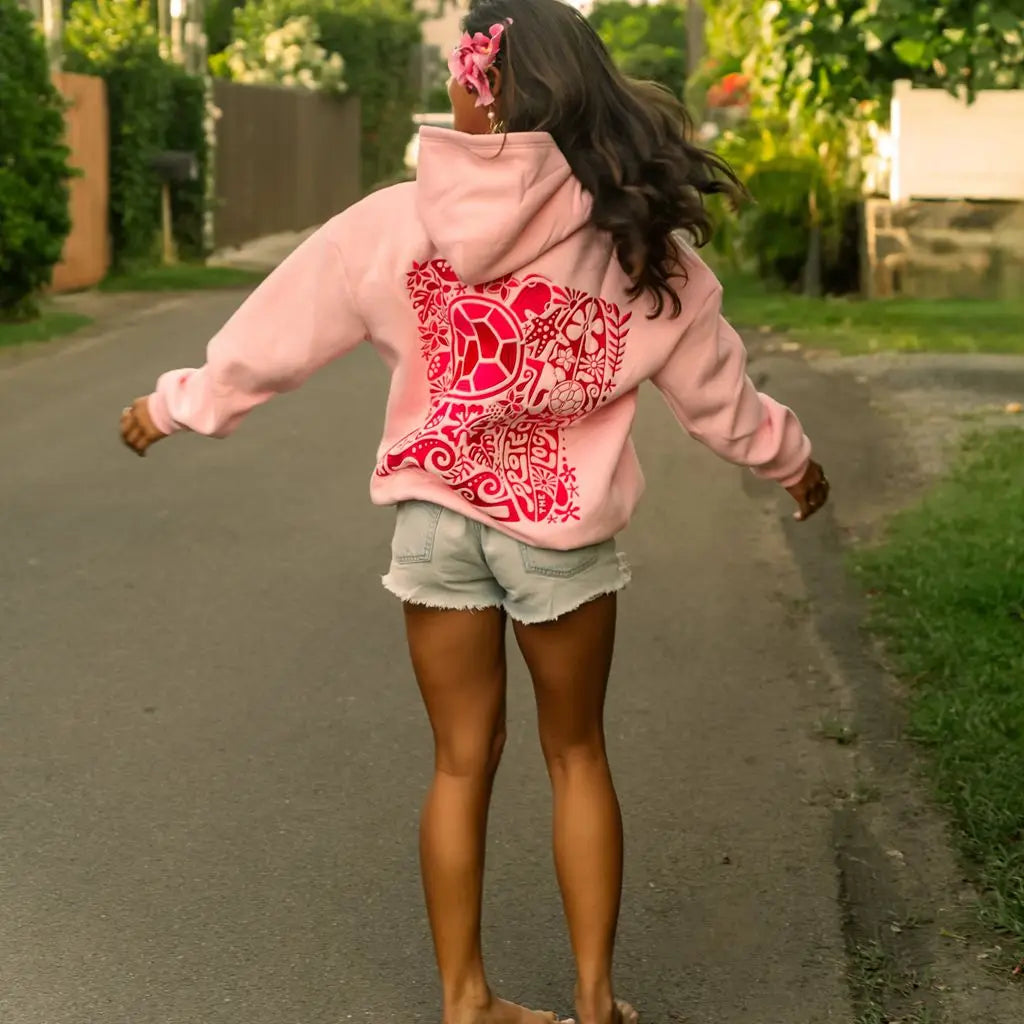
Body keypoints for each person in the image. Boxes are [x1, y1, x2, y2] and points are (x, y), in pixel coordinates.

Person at [119, 1, 830, 1022]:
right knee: (574, 754)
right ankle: (593, 1000)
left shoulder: (392, 222)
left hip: (435, 522)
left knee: (459, 762)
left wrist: (177, 402)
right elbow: (722, 401)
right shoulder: (636, 239)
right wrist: (793, 463)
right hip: (561, 538)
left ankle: (466, 1000)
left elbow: (274, 336)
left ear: (473, 84)